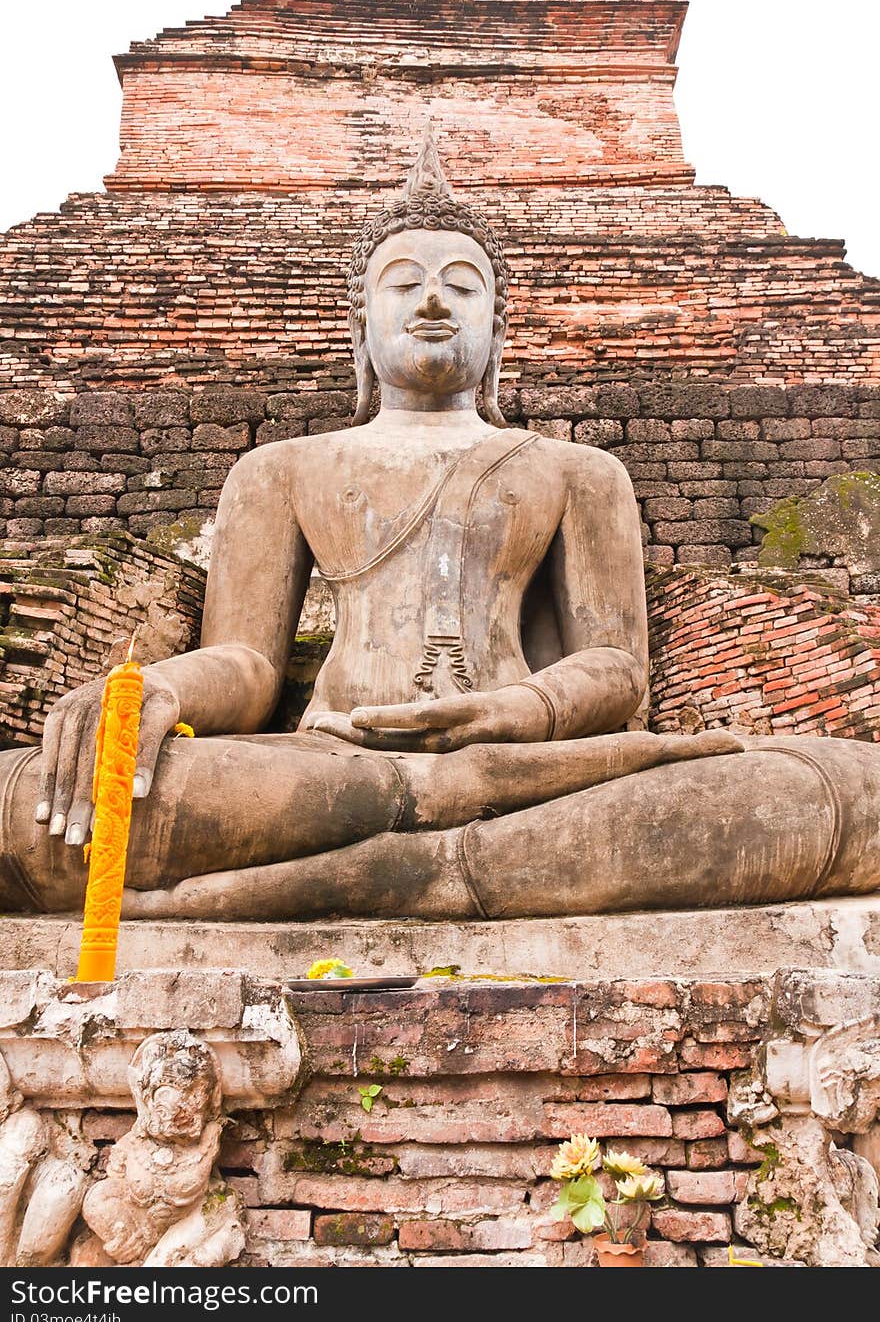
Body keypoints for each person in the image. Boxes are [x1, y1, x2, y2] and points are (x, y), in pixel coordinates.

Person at [1, 133, 878, 921]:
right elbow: (254, 667)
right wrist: (162, 692)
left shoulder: (578, 471)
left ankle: (379, 874)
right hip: (329, 773)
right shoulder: (281, 470)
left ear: (498, 328)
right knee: (45, 795)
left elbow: (618, 674)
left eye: (462, 287)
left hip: (523, 774)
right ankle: (446, 865)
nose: (432, 302)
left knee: (830, 790)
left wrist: (516, 710)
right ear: (360, 323)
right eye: (404, 284)